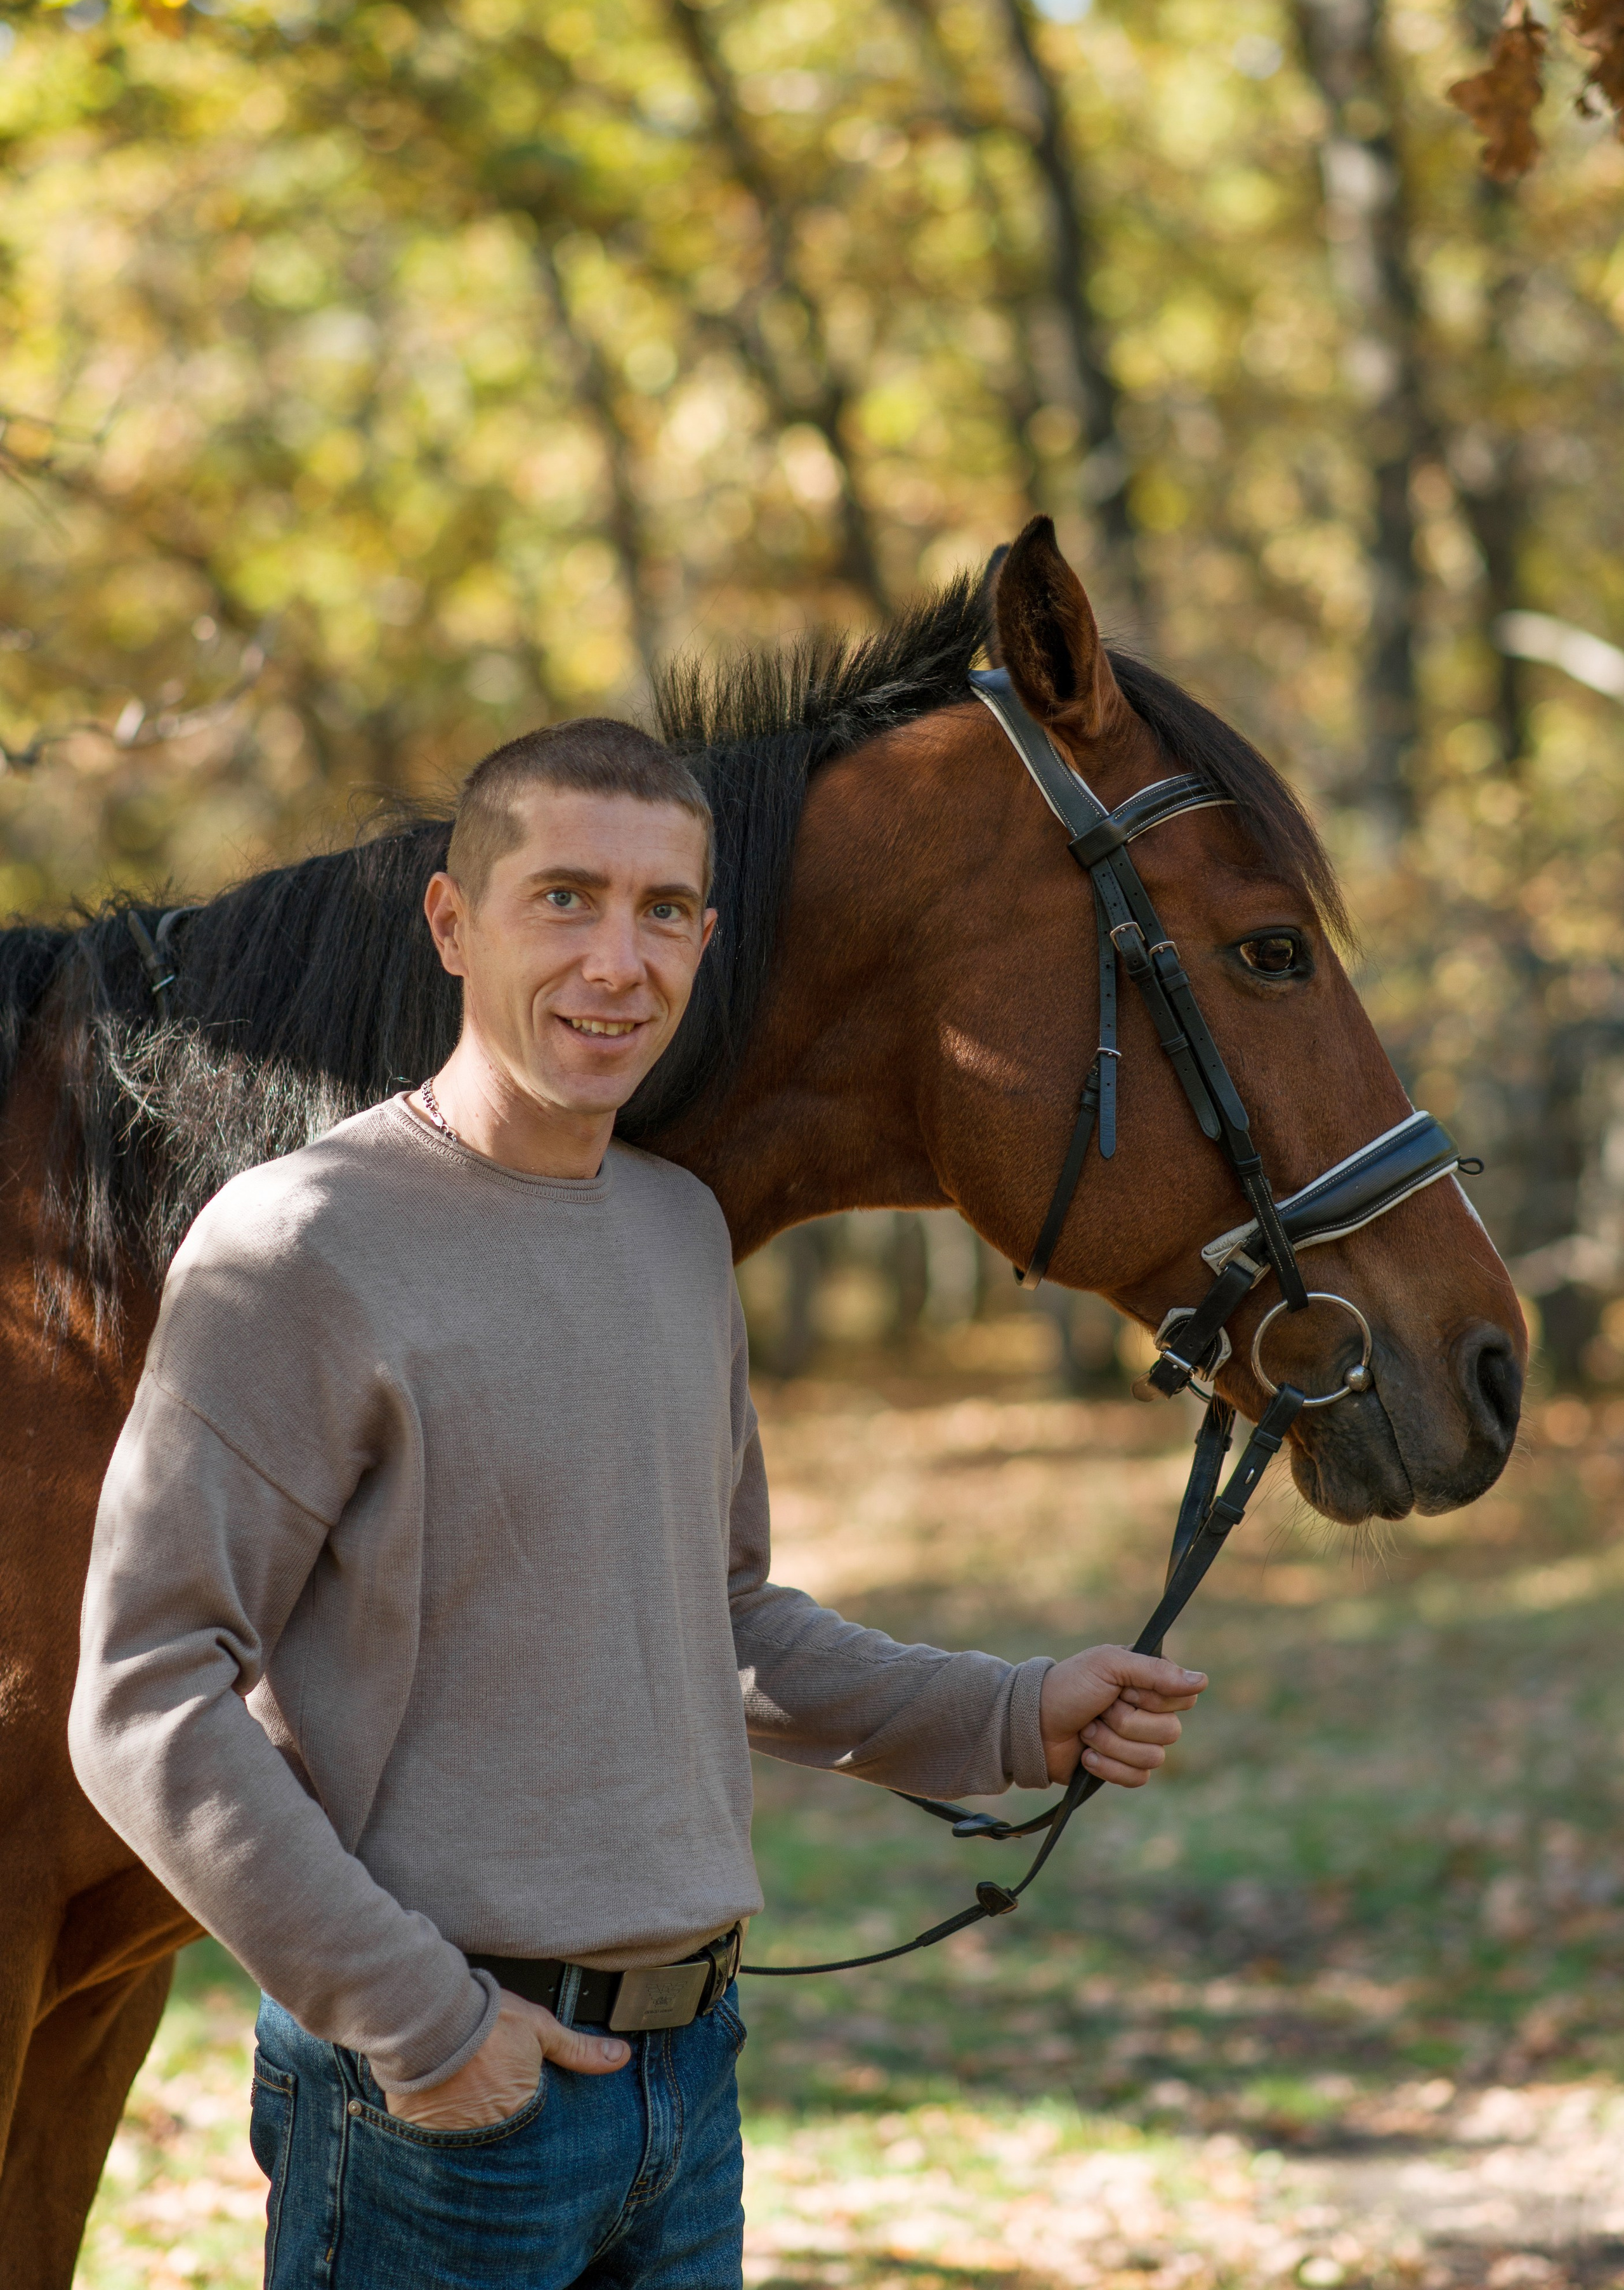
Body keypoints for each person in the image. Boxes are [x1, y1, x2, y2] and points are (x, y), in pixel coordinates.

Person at [70, 718, 1208, 2290]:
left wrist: (1019, 1713)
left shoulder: (675, 1230)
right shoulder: (298, 1245)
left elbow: (724, 1624)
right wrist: (423, 2026)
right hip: (444, 2101)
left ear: (706, 939)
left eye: (663, 910)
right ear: (453, 924)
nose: (620, 958)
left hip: (690, 2082)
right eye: (565, 898)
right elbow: (143, 1696)